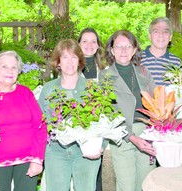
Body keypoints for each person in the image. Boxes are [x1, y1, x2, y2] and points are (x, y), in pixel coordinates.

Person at [38, 39, 106, 191]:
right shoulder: (48, 89)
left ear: (80, 61)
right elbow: (39, 123)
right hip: (55, 152)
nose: (70, 62)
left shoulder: (91, 88)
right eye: (65, 57)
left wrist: (101, 146)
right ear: (58, 62)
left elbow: (104, 121)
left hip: (85, 153)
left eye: (74, 57)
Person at [0, 50, 47, 191]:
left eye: (14, 67)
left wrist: (37, 158)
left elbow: (40, 126)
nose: (9, 71)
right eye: (4, 66)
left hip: (28, 161)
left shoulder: (25, 93)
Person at [99, 30, 156, 191]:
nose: (123, 51)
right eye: (119, 46)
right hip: (122, 136)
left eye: (128, 46)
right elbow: (109, 113)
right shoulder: (105, 76)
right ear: (111, 50)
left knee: (146, 185)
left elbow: (157, 104)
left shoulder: (144, 72)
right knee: (127, 186)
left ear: (134, 49)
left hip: (147, 134)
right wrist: (131, 136)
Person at [78, 27, 107, 191]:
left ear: (98, 45)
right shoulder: (69, 67)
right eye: (85, 41)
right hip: (75, 129)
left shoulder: (105, 69)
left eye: (93, 41)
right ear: (78, 44)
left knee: (96, 176)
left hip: (98, 130)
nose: (89, 45)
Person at [141, 17, 181, 86]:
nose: (161, 35)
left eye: (165, 32)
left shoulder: (177, 63)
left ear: (170, 37)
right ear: (149, 36)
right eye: (156, 31)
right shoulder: (137, 59)